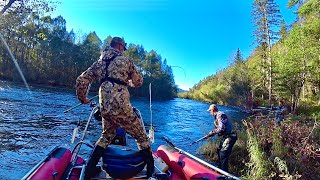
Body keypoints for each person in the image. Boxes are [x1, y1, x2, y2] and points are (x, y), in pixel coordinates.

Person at [75, 37, 154, 179]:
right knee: (141, 136)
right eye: (123, 47)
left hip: (104, 106)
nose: (124, 50)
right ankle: (150, 172)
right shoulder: (126, 61)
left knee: (106, 136)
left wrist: (83, 98)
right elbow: (138, 81)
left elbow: (81, 80)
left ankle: (89, 171)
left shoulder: (100, 62)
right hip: (121, 105)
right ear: (119, 46)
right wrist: (128, 82)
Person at [204, 104, 237, 172]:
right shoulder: (218, 116)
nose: (210, 113)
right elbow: (219, 130)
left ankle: (224, 174)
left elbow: (221, 128)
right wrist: (209, 135)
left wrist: (212, 132)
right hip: (226, 136)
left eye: (210, 111)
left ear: (213, 110)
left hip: (230, 136)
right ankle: (219, 169)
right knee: (219, 150)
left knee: (223, 154)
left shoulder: (220, 115)